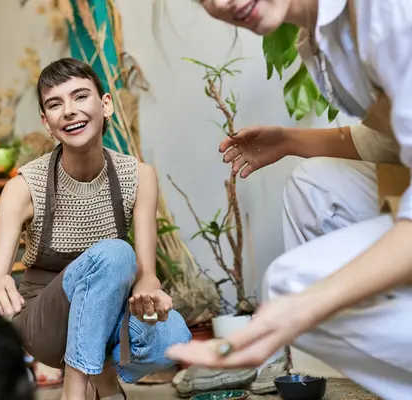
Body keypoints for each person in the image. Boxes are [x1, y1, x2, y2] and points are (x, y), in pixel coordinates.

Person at [166, 0, 412, 398]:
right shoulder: (320, 37)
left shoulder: (386, 13)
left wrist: (307, 306)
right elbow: (392, 138)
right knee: (313, 186)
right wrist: (291, 140)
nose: (221, 2)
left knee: (291, 287)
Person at [0, 57, 192, 400]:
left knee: (174, 337)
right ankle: (74, 394)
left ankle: (105, 382)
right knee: (116, 253)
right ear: (47, 123)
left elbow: (146, 273)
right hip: (47, 324)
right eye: (54, 104)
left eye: (80, 96)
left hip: (106, 312)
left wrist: (150, 292)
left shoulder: (138, 176)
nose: (69, 110)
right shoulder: (24, 186)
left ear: (105, 105)